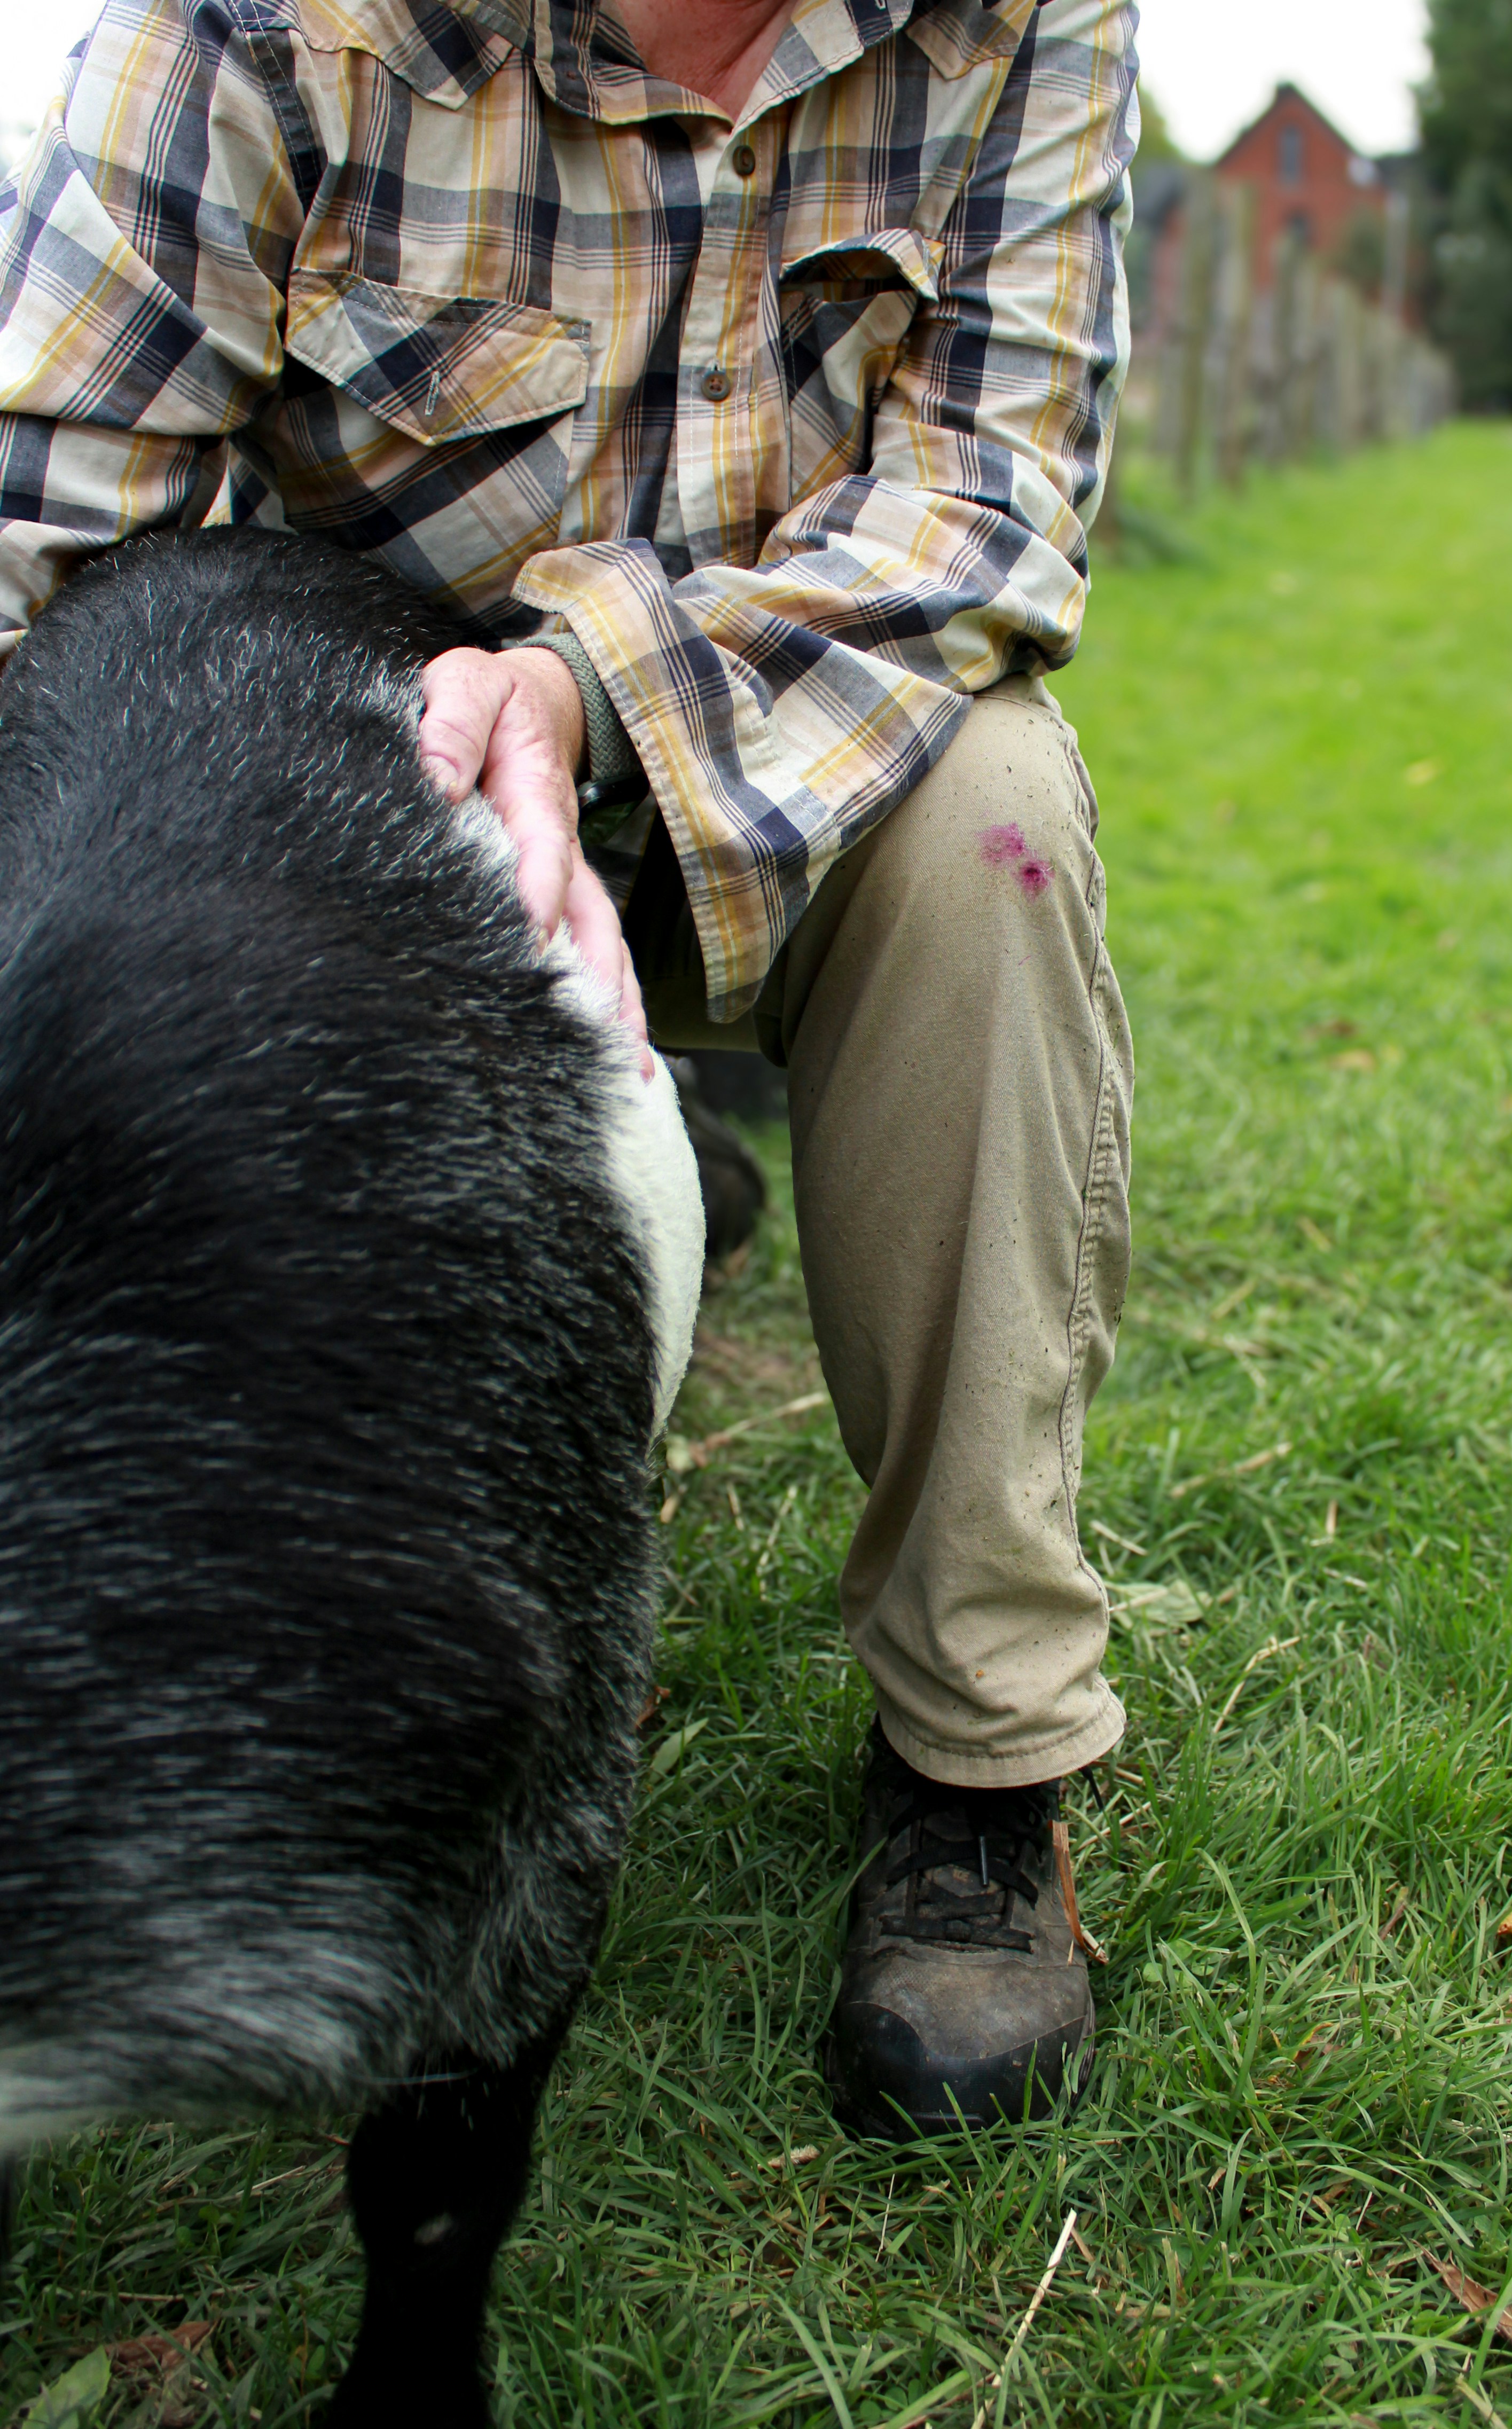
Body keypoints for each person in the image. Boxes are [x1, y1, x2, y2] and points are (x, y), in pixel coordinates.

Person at [0, 0, 1137, 2138]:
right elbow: (45, 535)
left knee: (1000, 825)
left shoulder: (1021, 25)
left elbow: (988, 503)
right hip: (355, 795)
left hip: (792, 748)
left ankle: (977, 1764)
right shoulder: (249, 25)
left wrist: (583, 682)